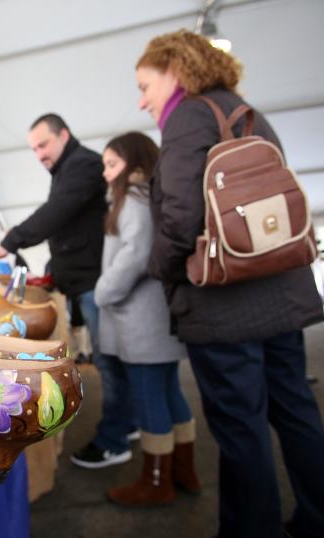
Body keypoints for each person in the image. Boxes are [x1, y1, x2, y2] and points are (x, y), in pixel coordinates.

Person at [136, 30, 324, 537]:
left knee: (241, 428)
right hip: (280, 290)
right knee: (296, 412)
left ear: (175, 70)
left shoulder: (188, 117)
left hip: (224, 302)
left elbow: (182, 218)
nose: (141, 98)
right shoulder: (247, 113)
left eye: (145, 84)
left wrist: (160, 272)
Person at [0, 113, 136, 466]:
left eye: (43, 144)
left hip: (94, 282)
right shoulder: (67, 170)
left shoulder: (82, 165)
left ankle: (115, 439)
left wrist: (11, 240)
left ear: (63, 135)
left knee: (109, 362)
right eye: (33, 148)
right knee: (110, 360)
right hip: (81, 281)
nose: (38, 154)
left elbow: (57, 212)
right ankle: (129, 424)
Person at [69, 131, 201, 507]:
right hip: (153, 320)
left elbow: (136, 253)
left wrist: (104, 291)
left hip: (140, 323)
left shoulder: (135, 202)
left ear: (136, 164)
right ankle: (182, 469)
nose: (106, 174)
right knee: (169, 393)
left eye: (113, 165)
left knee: (147, 398)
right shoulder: (148, 199)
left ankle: (157, 480)